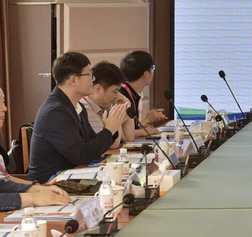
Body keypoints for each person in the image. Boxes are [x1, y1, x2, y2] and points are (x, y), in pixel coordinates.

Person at [28, 52, 129, 183]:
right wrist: (109, 130)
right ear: (73, 80)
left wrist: (110, 128)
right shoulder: (55, 112)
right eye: (89, 74)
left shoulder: (77, 106)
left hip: (72, 176)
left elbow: (92, 147)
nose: (93, 79)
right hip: (50, 184)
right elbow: (81, 155)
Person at [80, 61, 136, 148]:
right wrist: (116, 114)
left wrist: (127, 103)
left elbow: (129, 137)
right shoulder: (85, 108)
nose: (117, 96)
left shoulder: (104, 106)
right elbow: (113, 144)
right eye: (115, 92)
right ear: (98, 89)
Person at [118, 50, 167, 135]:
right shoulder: (122, 97)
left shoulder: (134, 93)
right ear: (146, 74)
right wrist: (145, 129)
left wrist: (147, 120)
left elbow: (132, 127)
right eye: (153, 68)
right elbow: (123, 133)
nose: (153, 72)